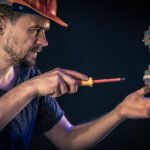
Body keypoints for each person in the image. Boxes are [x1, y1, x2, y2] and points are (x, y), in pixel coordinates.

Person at [0, 0, 150, 149]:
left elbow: (67, 138)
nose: (44, 41)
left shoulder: (30, 76)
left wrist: (120, 112)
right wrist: (31, 88)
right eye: (35, 30)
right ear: (2, 25)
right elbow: (32, 87)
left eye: (44, 31)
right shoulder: (33, 84)